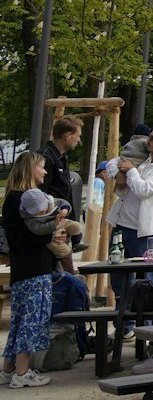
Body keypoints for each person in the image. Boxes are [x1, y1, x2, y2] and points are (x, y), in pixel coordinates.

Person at [3, 155, 63, 389]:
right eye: (42, 167)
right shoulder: (24, 199)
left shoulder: (12, 198)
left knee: (19, 320)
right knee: (32, 320)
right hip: (34, 269)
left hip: (22, 270)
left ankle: (9, 369)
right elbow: (28, 237)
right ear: (30, 169)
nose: (45, 172)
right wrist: (53, 229)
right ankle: (22, 372)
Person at [105, 122, 153, 318]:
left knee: (145, 279)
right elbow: (112, 162)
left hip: (144, 231)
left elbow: (145, 190)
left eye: (152, 138)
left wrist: (130, 171)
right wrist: (118, 173)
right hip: (120, 224)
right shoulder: (144, 152)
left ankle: (147, 323)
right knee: (118, 278)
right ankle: (122, 323)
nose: (147, 141)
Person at [38, 117, 82, 219]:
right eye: (78, 136)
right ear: (67, 135)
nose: (79, 140)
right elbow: (39, 192)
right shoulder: (46, 157)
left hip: (63, 216)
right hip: (53, 219)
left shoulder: (61, 158)